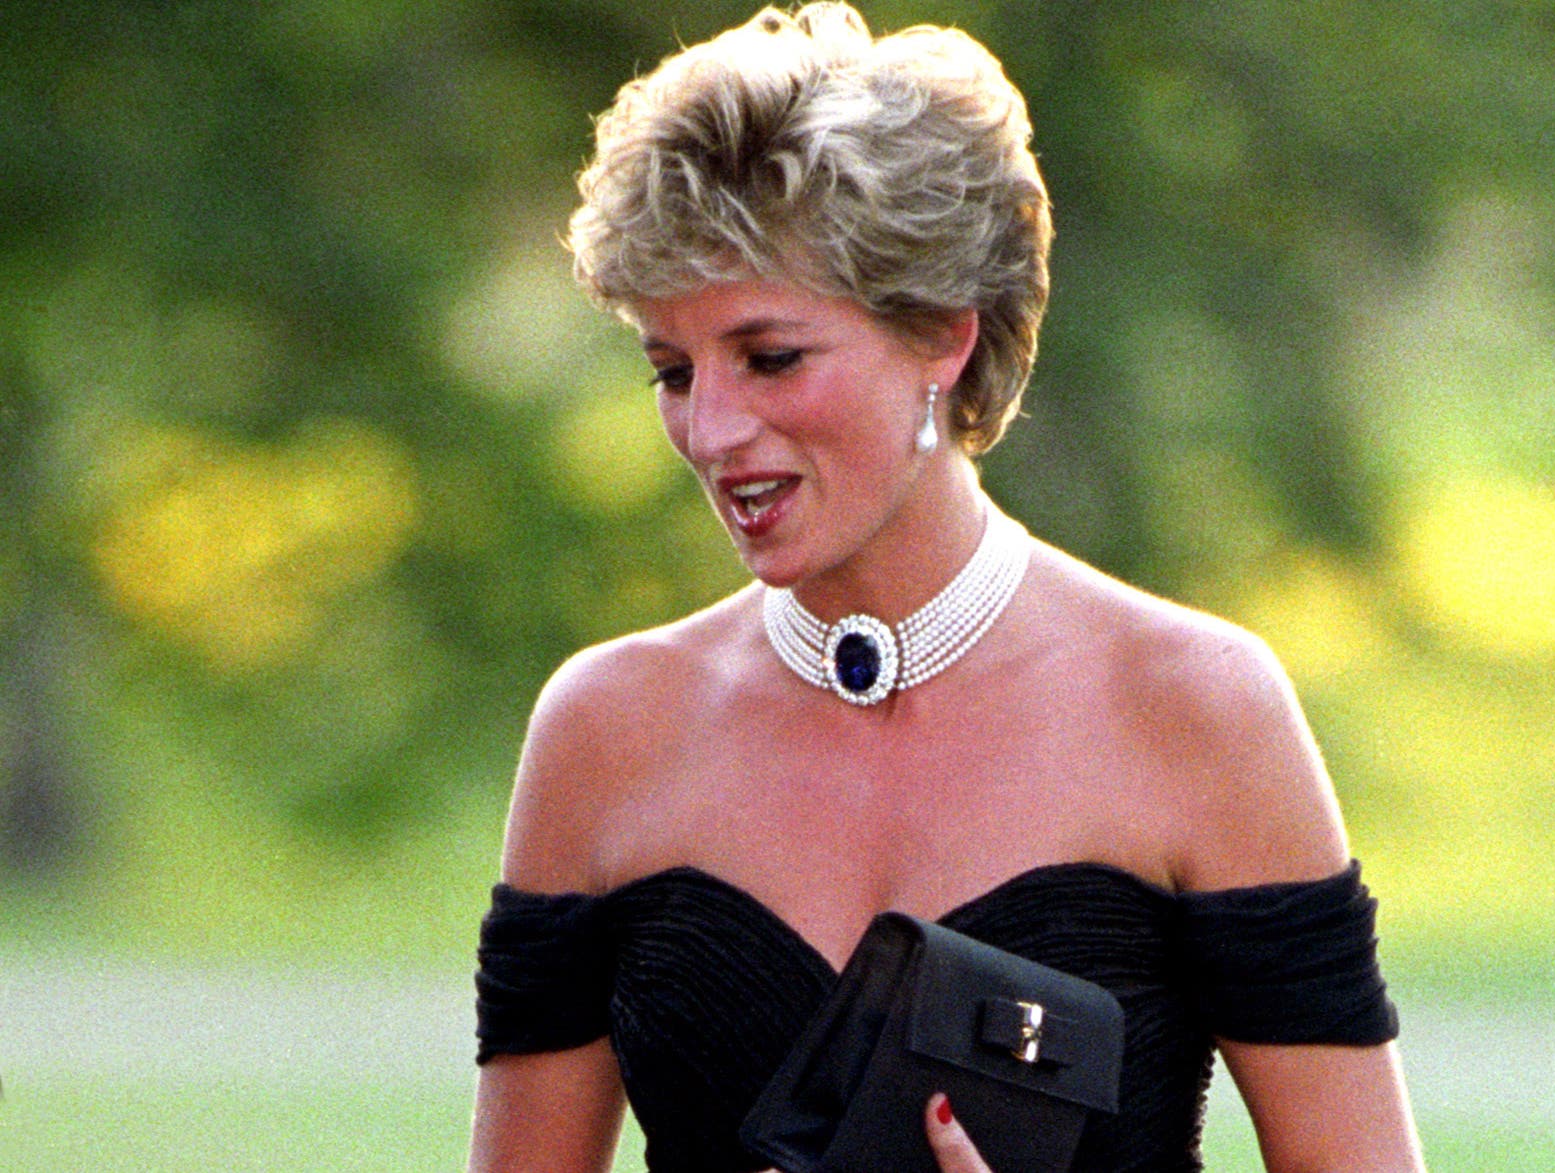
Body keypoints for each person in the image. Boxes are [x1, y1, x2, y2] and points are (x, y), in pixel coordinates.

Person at [469, 4, 1424, 1171]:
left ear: (941, 338)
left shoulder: (1194, 704)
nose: (710, 430)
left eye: (770, 357)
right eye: (672, 371)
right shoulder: (604, 730)